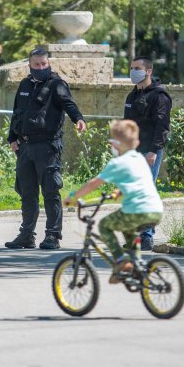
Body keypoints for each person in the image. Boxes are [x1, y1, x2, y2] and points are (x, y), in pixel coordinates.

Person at [5, 48, 87, 250]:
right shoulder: (24, 85)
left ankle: (52, 236)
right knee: (27, 192)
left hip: (47, 145)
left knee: (50, 191)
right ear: (30, 65)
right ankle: (26, 235)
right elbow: (17, 112)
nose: (41, 68)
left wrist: (79, 118)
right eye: (36, 65)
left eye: (44, 64)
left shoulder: (56, 84)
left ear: (48, 63)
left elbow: (69, 104)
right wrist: (12, 137)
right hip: (25, 146)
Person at [63, 120, 163, 283]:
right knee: (129, 230)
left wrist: (73, 198)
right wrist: (118, 192)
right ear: (137, 142)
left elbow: (94, 183)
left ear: (115, 145)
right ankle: (135, 265)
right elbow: (138, 182)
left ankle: (120, 262)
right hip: (156, 210)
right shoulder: (140, 159)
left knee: (104, 225)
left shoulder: (117, 163)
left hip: (137, 211)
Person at [123, 56, 171, 250]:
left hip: (149, 151)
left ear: (148, 71)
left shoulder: (159, 96)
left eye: (137, 68)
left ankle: (147, 235)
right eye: (132, 68)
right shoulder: (132, 96)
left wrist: (153, 151)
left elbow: (162, 126)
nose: (133, 71)